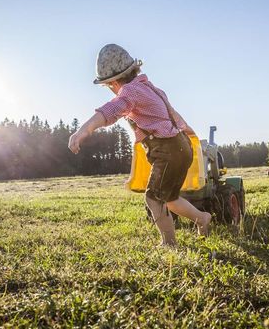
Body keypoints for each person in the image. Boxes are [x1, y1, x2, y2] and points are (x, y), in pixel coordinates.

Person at [68, 44, 211, 247]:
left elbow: (111, 110)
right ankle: (202, 218)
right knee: (168, 197)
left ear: (113, 82)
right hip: (179, 146)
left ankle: (169, 243)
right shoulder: (151, 88)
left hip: (168, 150)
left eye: (109, 86)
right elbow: (174, 115)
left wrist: (85, 130)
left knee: (153, 198)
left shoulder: (130, 91)